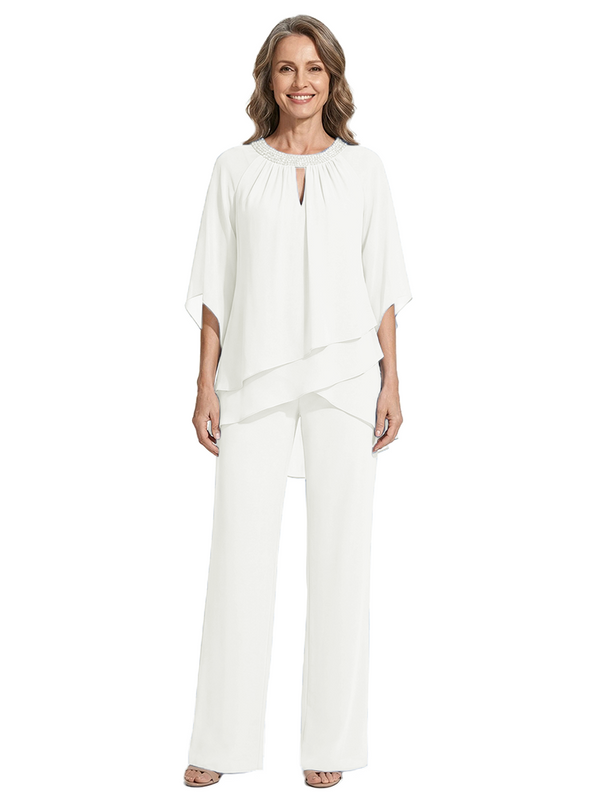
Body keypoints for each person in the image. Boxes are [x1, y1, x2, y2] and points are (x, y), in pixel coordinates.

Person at [183, 14, 412, 790]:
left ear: (332, 78)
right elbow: (216, 286)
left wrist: (392, 378)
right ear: (268, 80)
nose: (301, 81)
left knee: (343, 561)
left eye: (314, 68)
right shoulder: (234, 169)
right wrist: (204, 383)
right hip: (251, 378)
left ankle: (330, 743)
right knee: (237, 558)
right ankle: (220, 740)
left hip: (347, 379)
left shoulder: (365, 170)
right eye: (287, 68)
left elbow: (382, 283)